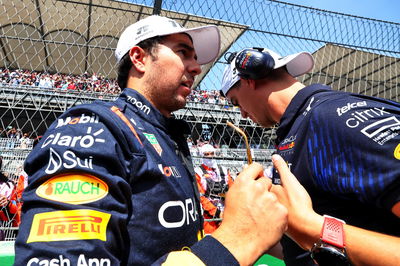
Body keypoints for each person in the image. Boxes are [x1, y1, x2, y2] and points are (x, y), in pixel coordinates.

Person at [15, 16, 288, 265]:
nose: (196, 68)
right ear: (139, 58)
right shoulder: (94, 129)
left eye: (194, 57)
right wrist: (235, 240)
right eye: (183, 52)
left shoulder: (167, 136)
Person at [220, 47, 400, 265]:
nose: (242, 114)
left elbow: (313, 227)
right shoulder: (303, 125)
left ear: (250, 80)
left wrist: (312, 227)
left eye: (236, 102)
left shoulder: (332, 119)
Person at [195, 143, 233, 234]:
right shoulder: (198, 172)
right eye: (206, 154)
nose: (210, 156)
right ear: (201, 156)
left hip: (227, 212)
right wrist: (217, 213)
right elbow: (200, 197)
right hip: (209, 217)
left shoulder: (224, 170)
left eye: (212, 153)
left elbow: (233, 190)